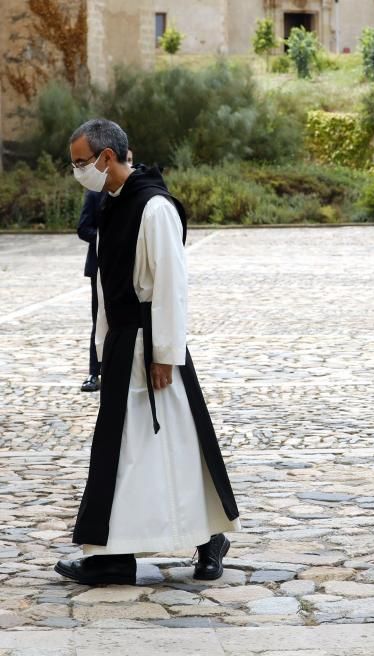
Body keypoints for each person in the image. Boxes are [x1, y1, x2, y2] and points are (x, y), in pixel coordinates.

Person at [56, 119, 240, 586]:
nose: (79, 170)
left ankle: (209, 536)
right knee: (124, 450)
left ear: (108, 158)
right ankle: (112, 554)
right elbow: (106, 284)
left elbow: (172, 287)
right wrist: (103, 348)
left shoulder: (154, 208)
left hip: (151, 345)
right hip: (124, 344)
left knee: (174, 441)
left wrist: (165, 354)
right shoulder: (111, 206)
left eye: (82, 162)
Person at [77, 149, 132, 393]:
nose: (129, 163)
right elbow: (83, 228)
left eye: (131, 159)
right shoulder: (93, 192)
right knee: (99, 318)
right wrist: (104, 238)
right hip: (99, 267)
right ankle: (94, 371)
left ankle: (124, 368)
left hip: (128, 268)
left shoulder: (135, 195)